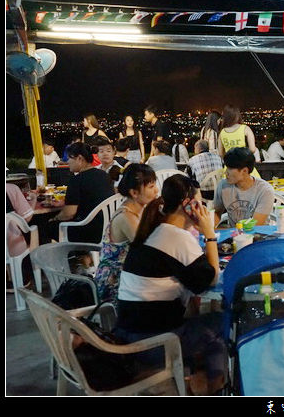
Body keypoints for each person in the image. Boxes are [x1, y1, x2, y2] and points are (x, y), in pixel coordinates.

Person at [114, 174, 225, 395]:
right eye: (200, 203)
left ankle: (196, 381)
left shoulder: (153, 229)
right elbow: (210, 279)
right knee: (226, 321)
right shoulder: (177, 237)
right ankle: (214, 389)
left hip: (126, 333)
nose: (203, 208)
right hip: (152, 344)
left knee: (202, 320)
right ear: (189, 206)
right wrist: (210, 235)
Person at [93, 164, 159, 310]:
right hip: (115, 282)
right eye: (151, 186)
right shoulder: (126, 217)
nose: (156, 191)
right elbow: (148, 250)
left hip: (129, 275)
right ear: (134, 192)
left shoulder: (139, 211)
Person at [46, 142, 115, 243]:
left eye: (69, 158)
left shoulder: (77, 180)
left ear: (79, 158)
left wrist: (55, 218)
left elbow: (69, 214)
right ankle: (85, 257)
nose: (67, 162)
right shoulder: (104, 175)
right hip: (107, 228)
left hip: (87, 232)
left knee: (47, 227)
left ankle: (64, 256)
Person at [213, 147, 274, 228]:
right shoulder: (223, 185)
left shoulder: (265, 190)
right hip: (233, 236)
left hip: (258, 236)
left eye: (230, 168)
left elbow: (255, 225)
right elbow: (216, 213)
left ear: (245, 171)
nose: (226, 172)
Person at [6, 182, 35, 291]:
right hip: (12, 248)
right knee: (38, 233)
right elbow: (26, 218)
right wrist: (33, 200)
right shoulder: (11, 188)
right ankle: (22, 276)